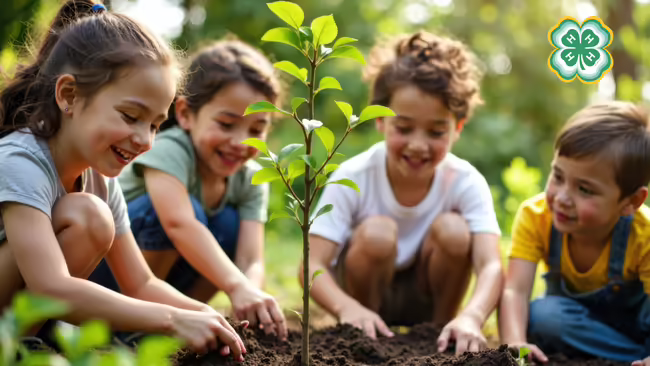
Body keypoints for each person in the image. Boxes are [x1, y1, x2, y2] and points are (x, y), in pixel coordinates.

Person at [0, 1, 246, 360]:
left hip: (22, 318)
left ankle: (28, 346)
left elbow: (141, 283)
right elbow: (50, 286)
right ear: (69, 96)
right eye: (131, 116)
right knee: (88, 216)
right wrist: (173, 320)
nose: (145, 140)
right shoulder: (22, 159)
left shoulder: (99, 178)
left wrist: (203, 314)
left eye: (155, 125)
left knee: (91, 215)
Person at [302, 31, 503, 355]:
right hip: (363, 296)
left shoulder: (465, 181)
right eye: (404, 128)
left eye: (436, 131)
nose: (418, 145)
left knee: (454, 231)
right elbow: (311, 265)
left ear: (458, 127)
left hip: (426, 299)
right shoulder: (355, 175)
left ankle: (438, 335)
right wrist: (345, 308)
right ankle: (366, 334)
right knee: (377, 234)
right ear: (380, 120)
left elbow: (491, 265)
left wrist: (473, 316)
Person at [88, 39, 287, 340]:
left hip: (166, 286)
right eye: (226, 123)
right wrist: (236, 285)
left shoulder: (250, 178)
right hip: (111, 277)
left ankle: (180, 325)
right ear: (185, 114)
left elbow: (250, 259)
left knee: (229, 227)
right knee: (175, 213)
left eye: (256, 130)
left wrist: (251, 295)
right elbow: (178, 224)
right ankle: (129, 327)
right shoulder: (170, 149)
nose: (241, 142)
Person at [498, 101, 650, 365]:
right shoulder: (536, 217)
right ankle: (628, 358)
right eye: (558, 177)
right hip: (581, 327)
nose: (563, 198)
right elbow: (516, 290)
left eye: (585, 190)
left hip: (642, 327)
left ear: (631, 202)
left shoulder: (644, 234)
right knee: (543, 317)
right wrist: (514, 343)